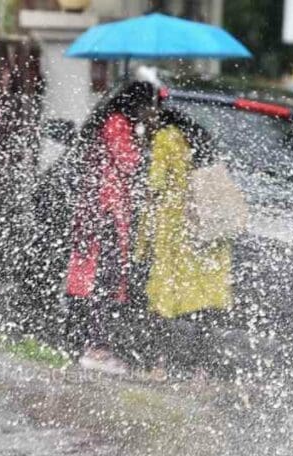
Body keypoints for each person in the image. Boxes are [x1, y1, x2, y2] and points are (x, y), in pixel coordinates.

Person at [65, 80, 160, 375]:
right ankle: (96, 349)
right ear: (137, 104)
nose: (149, 112)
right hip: (107, 213)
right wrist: (146, 142)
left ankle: (92, 345)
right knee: (103, 281)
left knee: (100, 280)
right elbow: (130, 163)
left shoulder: (110, 122)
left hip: (101, 211)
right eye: (148, 106)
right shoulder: (117, 124)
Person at [134, 108, 233, 377]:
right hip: (204, 232)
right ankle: (200, 368)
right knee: (201, 303)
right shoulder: (205, 139)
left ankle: (159, 364)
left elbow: (154, 185)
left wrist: (142, 240)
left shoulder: (166, 138)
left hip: (174, 230)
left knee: (163, 299)